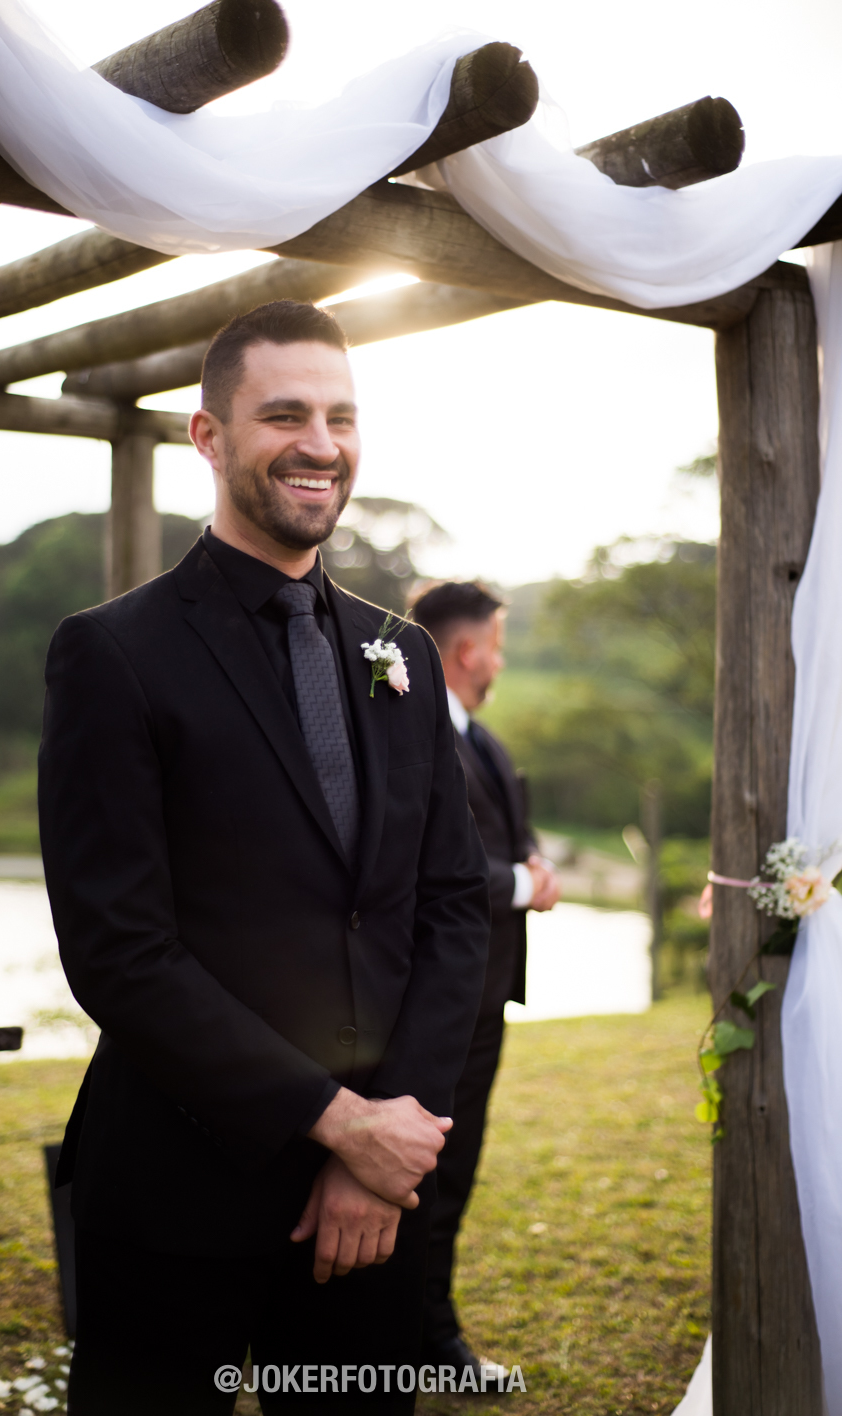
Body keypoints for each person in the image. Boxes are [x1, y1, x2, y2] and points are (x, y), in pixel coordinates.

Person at [38, 300, 490, 1415]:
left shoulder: (405, 653)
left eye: (340, 416)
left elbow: (450, 910)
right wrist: (334, 1121)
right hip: (177, 1191)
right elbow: (120, 953)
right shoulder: (113, 654)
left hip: (376, 1200)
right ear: (209, 436)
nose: (321, 444)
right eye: (284, 414)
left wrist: (389, 1145)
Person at [408, 581, 560, 1380]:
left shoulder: (484, 741)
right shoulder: (416, 736)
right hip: (436, 1004)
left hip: (486, 995)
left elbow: (509, 835)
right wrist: (520, 885)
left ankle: (425, 1327)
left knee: (456, 1171)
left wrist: (530, 864)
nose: (500, 659)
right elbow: (444, 871)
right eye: (496, 645)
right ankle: (426, 1339)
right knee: (428, 1173)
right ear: (467, 652)